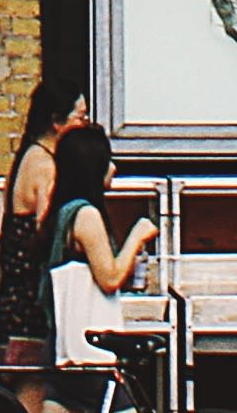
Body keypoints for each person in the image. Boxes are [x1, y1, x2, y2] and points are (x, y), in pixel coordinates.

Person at [46, 112, 163, 406]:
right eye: (107, 161)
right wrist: (136, 237)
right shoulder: (86, 215)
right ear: (93, 168)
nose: (113, 168)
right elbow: (109, 278)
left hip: (63, 346)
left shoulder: (60, 213)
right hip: (89, 348)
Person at [0, 71, 80, 413]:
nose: (84, 125)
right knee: (33, 392)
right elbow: (49, 226)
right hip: (32, 303)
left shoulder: (23, 157)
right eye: (80, 117)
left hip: (14, 299)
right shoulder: (46, 165)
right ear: (58, 122)